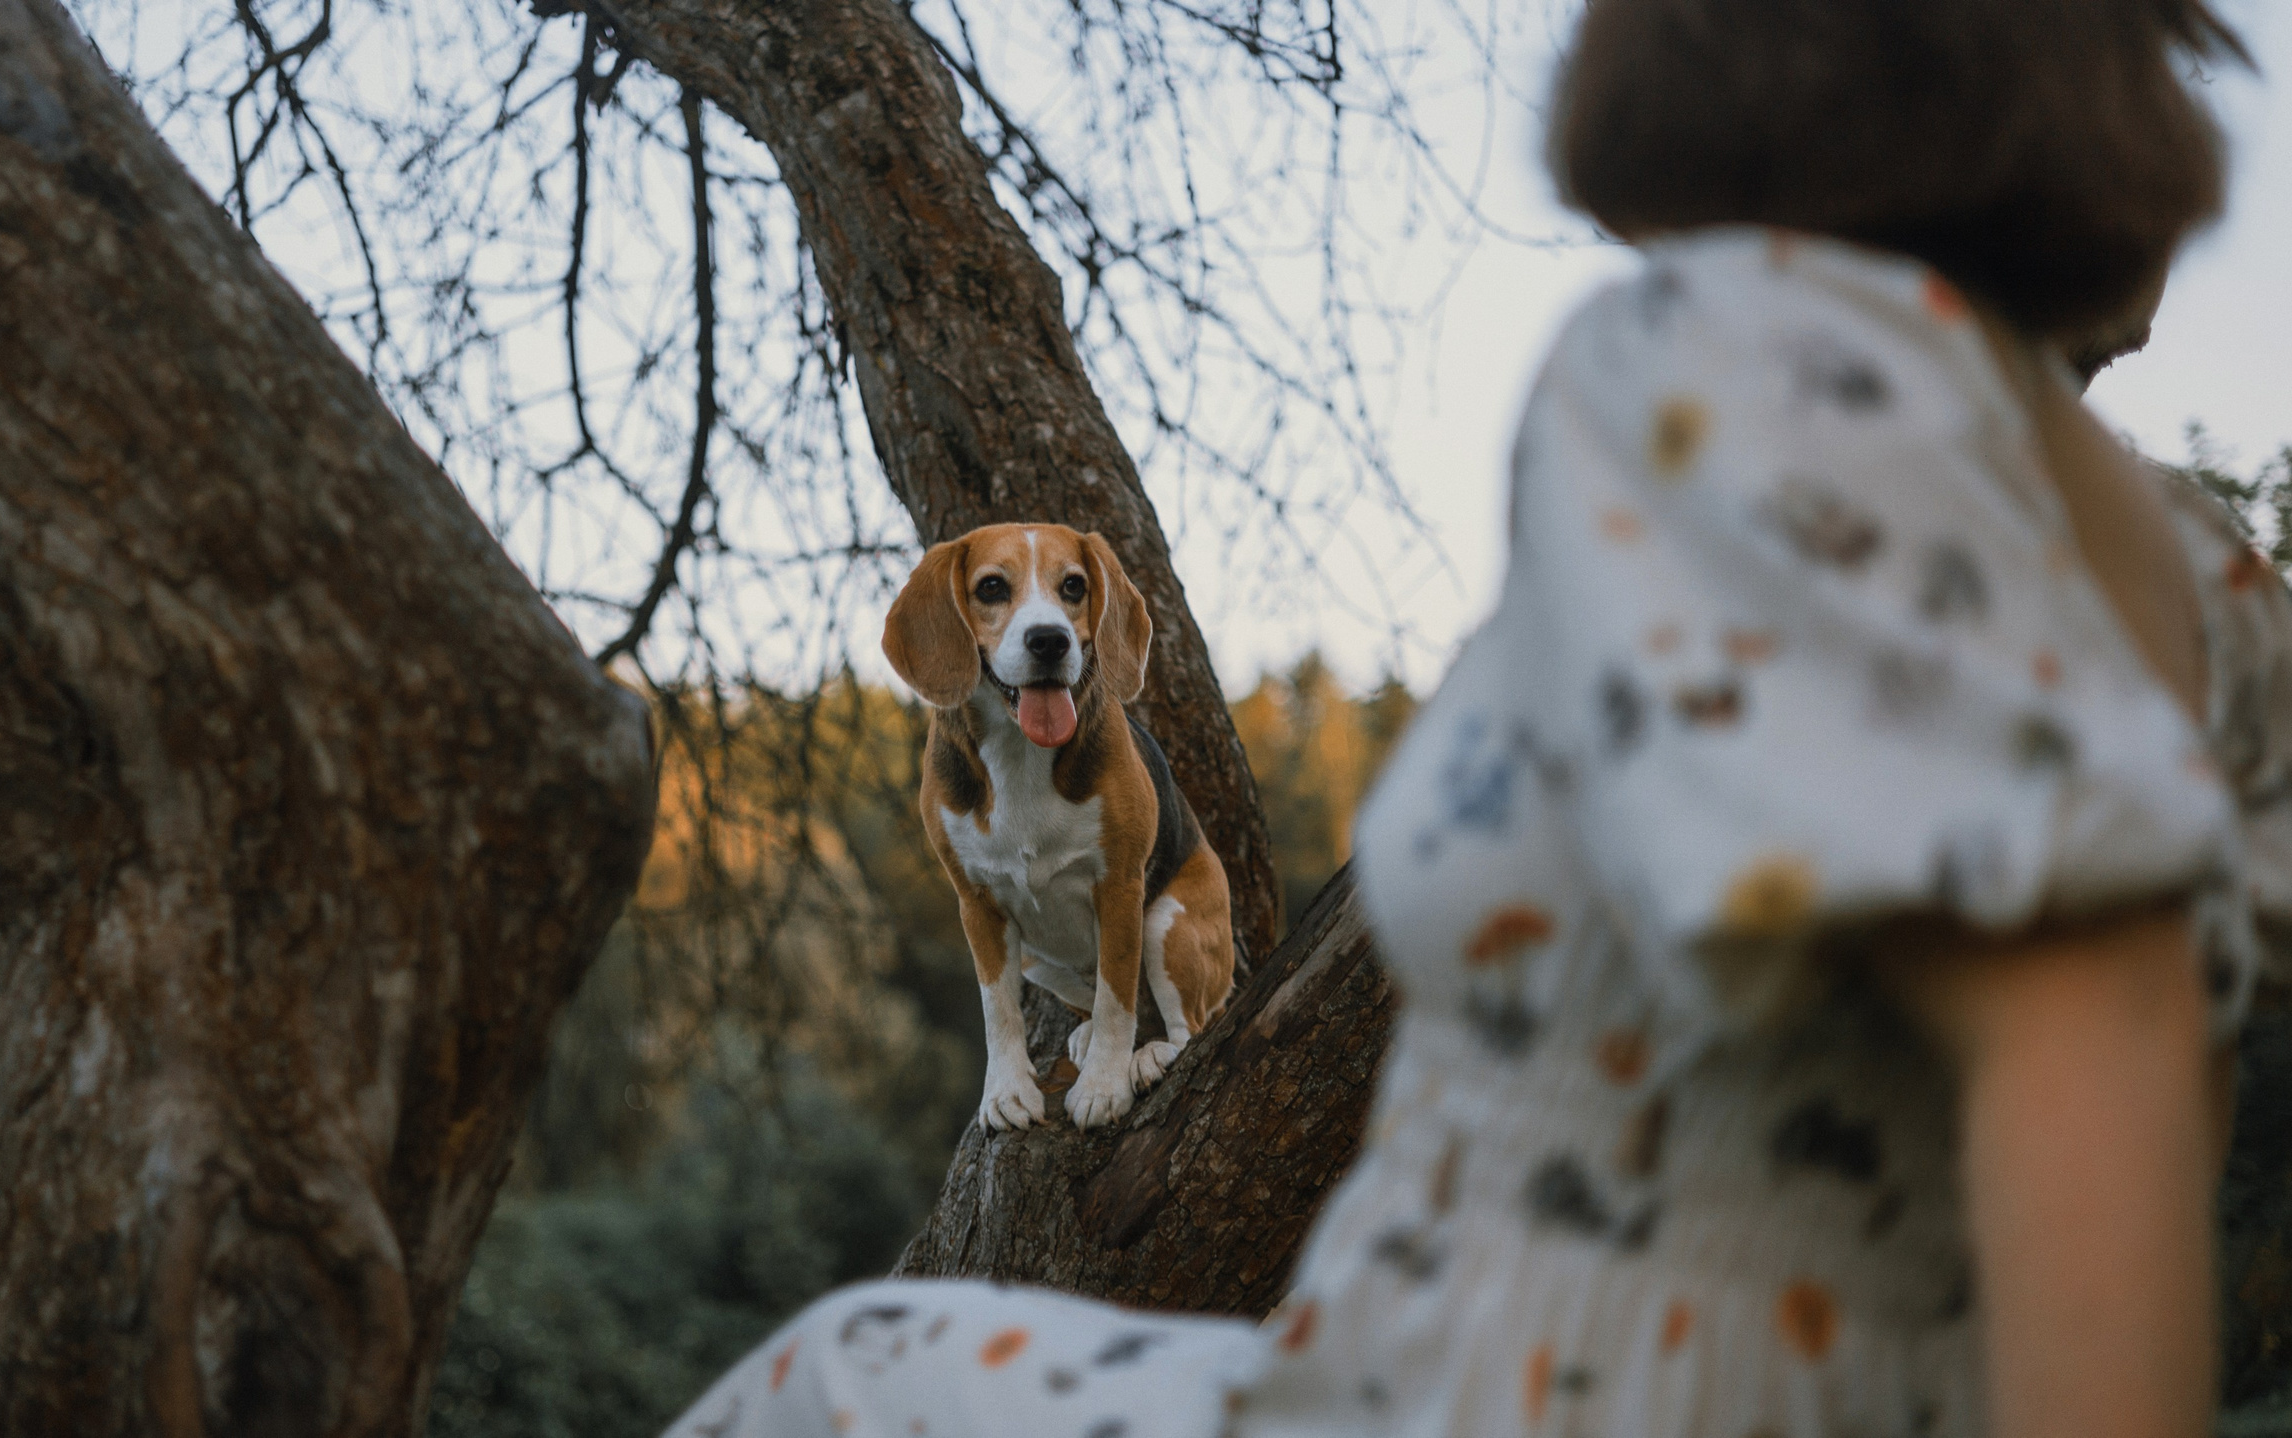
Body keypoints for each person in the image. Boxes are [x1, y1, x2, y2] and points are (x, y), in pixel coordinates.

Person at [662, 3, 2276, 1435]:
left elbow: (2095, 1033)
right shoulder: (2218, 583)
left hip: (1492, 1389)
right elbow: (2165, 1065)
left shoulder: (1721, 361)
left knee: (849, 1376)